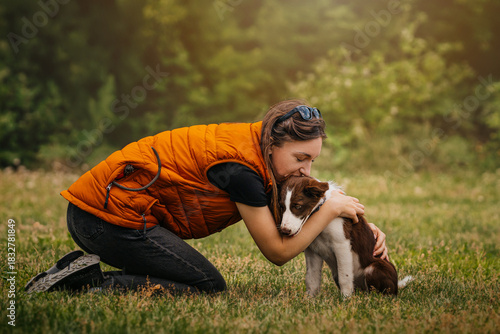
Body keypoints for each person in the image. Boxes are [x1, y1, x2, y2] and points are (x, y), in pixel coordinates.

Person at [25, 99, 388, 294]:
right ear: (272, 143)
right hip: (106, 221)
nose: (306, 170)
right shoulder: (243, 171)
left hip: (106, 215)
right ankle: (86, 284)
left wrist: (360, 233)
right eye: (300, 158)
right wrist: (330, 212)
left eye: (312, 160)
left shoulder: (256, 147)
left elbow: (306, 199)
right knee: (206, 285)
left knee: (181, 274)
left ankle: (82, 270)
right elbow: (278, 252)